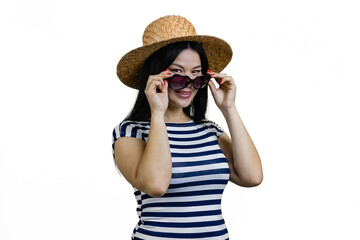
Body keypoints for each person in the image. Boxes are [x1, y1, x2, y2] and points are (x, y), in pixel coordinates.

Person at [112, 15, 263, 240]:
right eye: (177, 73)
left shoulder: (209, 131)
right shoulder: (130, 132)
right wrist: (158, 113)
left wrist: (229, 109)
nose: (188, 84)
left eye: (196, 74)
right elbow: (156, 185)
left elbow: (252, 177)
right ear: (155, 76)